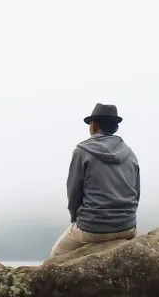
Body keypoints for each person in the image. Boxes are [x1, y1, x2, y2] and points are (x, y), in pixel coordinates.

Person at [46, 102, 140, 263]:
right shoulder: (130, 153)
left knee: (55, 258)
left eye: (90, 124)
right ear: (115, 128)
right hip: (127, 227)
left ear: (94, 126)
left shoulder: (82, 151)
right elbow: (136, 192)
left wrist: (75, 218)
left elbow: (74, 192)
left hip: (93, 227)